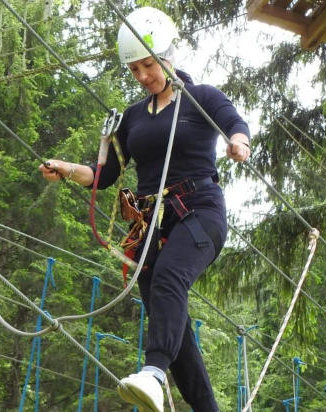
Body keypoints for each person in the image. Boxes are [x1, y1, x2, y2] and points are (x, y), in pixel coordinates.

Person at [39, 7, 250, 412]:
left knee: (171, 277)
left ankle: (153, 373)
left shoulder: (200, 97)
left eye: (148, 65)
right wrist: (67, 169)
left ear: (169, 55)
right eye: (134, 69)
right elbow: (104, 174)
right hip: (152, 225)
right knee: (170, 319)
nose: (142, 76)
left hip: (200, 211)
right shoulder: (133, 117)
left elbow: (234, 122)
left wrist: (239, 143)